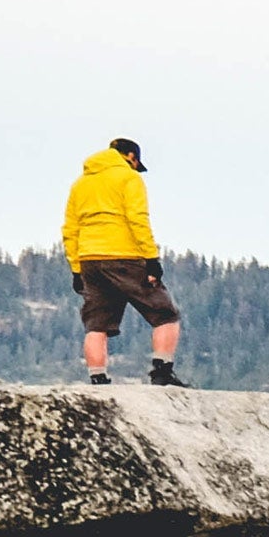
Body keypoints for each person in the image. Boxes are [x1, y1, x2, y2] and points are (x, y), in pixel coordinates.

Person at [63, 138, 181, 386]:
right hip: (124, 255)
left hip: (89, 260)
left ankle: (98, 379)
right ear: (131, 156)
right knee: (165, 313)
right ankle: (162, 372)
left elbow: (70, 229)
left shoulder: (80, 184)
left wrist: (76, 269)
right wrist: (151, 258)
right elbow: (137, 219)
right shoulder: (129, 178)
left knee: (97, 322)